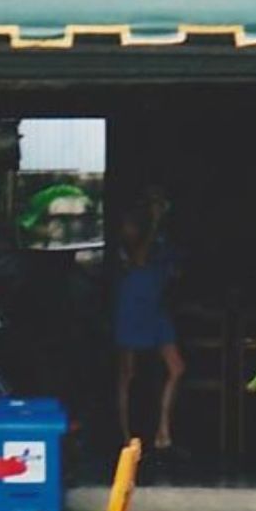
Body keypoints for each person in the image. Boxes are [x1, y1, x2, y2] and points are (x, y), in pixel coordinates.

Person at [114, 192, 184, 451]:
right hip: (133, 304)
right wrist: (153, 222)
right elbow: (139, 259)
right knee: (127, 374)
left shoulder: (163, 238)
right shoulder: (132, 232)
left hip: (156, 306)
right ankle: (125, 437)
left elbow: (173, 269)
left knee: (176, 368)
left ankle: (163, 428)